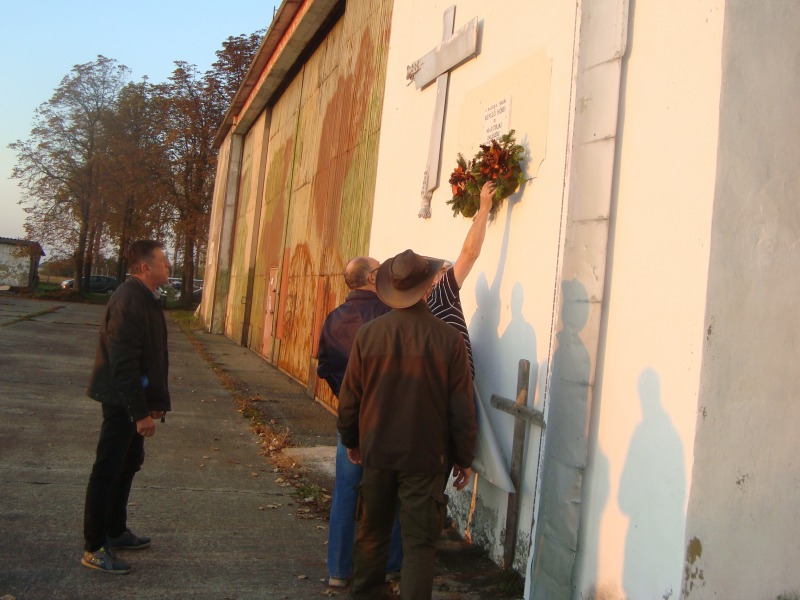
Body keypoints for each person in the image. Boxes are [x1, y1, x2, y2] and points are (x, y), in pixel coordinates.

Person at [337, 249, 477, 600]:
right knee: (419, 545)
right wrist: (464, 458)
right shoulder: (448, 339)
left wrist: (352, 440)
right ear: (428, 285)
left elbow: (350, 397)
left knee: (371, 535)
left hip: (378, 452)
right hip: (425, 458)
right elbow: (461, 408)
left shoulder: (368, 335)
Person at [81, 240, 172, 574]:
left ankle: (115, 530)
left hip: (135, 398)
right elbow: (123, 363)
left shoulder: (147, 298)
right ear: (145, 267)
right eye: (164, 260)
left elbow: (152, 356)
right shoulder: (129, 300)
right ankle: (93, 546)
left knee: (129, 461)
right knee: (107, 468)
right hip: (121, 400)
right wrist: (139, 412)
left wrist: (156, 403)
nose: (169, 265)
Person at [316, 256, 403, 588]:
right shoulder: (387, 316)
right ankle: (392, 565)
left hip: (349, 417)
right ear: (371, 278)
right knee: (391, 491)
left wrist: (343, 394)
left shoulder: (334, 318)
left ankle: (338, 571)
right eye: (380, 271)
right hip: (385, 419)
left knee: (346, 493)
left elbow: (323, 365)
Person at [427, 181, 496, 376]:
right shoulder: (439, 296)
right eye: (442, 271)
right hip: (454, 395)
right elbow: (469, 253)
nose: (447, 274)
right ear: (432, 282)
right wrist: (483, 209)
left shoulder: (408, 313)